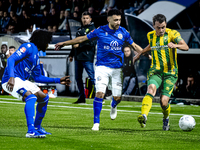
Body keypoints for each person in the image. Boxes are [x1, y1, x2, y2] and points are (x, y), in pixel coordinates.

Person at [55, 9, 144, 131]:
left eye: (120, 20)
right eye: (116, 20)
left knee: (118, 98)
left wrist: (146, 54)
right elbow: (82, 39)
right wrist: (65, 43)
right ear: (109, 19)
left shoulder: (123, 32)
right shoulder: (100, 31)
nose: (118, 22)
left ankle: (113, 105)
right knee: (100, 93)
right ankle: (96, 122)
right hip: (102, 67)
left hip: (117, 69)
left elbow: (134, 46)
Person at [1, 29, 71, 138]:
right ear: (42, 40)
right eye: (47, 41)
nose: (48, 44)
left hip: (22, 81)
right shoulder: (28, 47)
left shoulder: (36, 57)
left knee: (44, 98)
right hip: (10, 80)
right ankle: (31, 131)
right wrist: (11, 77)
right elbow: (11, 60)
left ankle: (37, 127)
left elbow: (38, 77)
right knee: (31, 97)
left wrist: (58, 80)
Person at [133, 14, 189, 131]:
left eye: (163, 27)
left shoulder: (172, 34)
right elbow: (151, 46)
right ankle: (143, 115)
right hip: (156, 71)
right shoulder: (150, 35)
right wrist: (139, 54)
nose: (161, 30)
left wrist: (175, 45)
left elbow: (186, 46)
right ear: (153, 26)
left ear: (165, 25)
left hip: (170, 72)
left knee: (164, 102)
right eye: (158, 27)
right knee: (151, 90)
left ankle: (166, 117)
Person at [69, 11, 96, 104]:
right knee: (78, 78)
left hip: (87, 57)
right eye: (84, 18)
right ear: (81, 19)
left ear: (90, 19)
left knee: (92, 77)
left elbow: (92, 43)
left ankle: (99, 97)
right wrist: (71, 54)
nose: (85, 20)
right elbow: (74, 43)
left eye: (87, 18)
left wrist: (79, 45)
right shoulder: (79, 29)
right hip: (78, 57)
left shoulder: (93, 29)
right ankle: (82, 97)